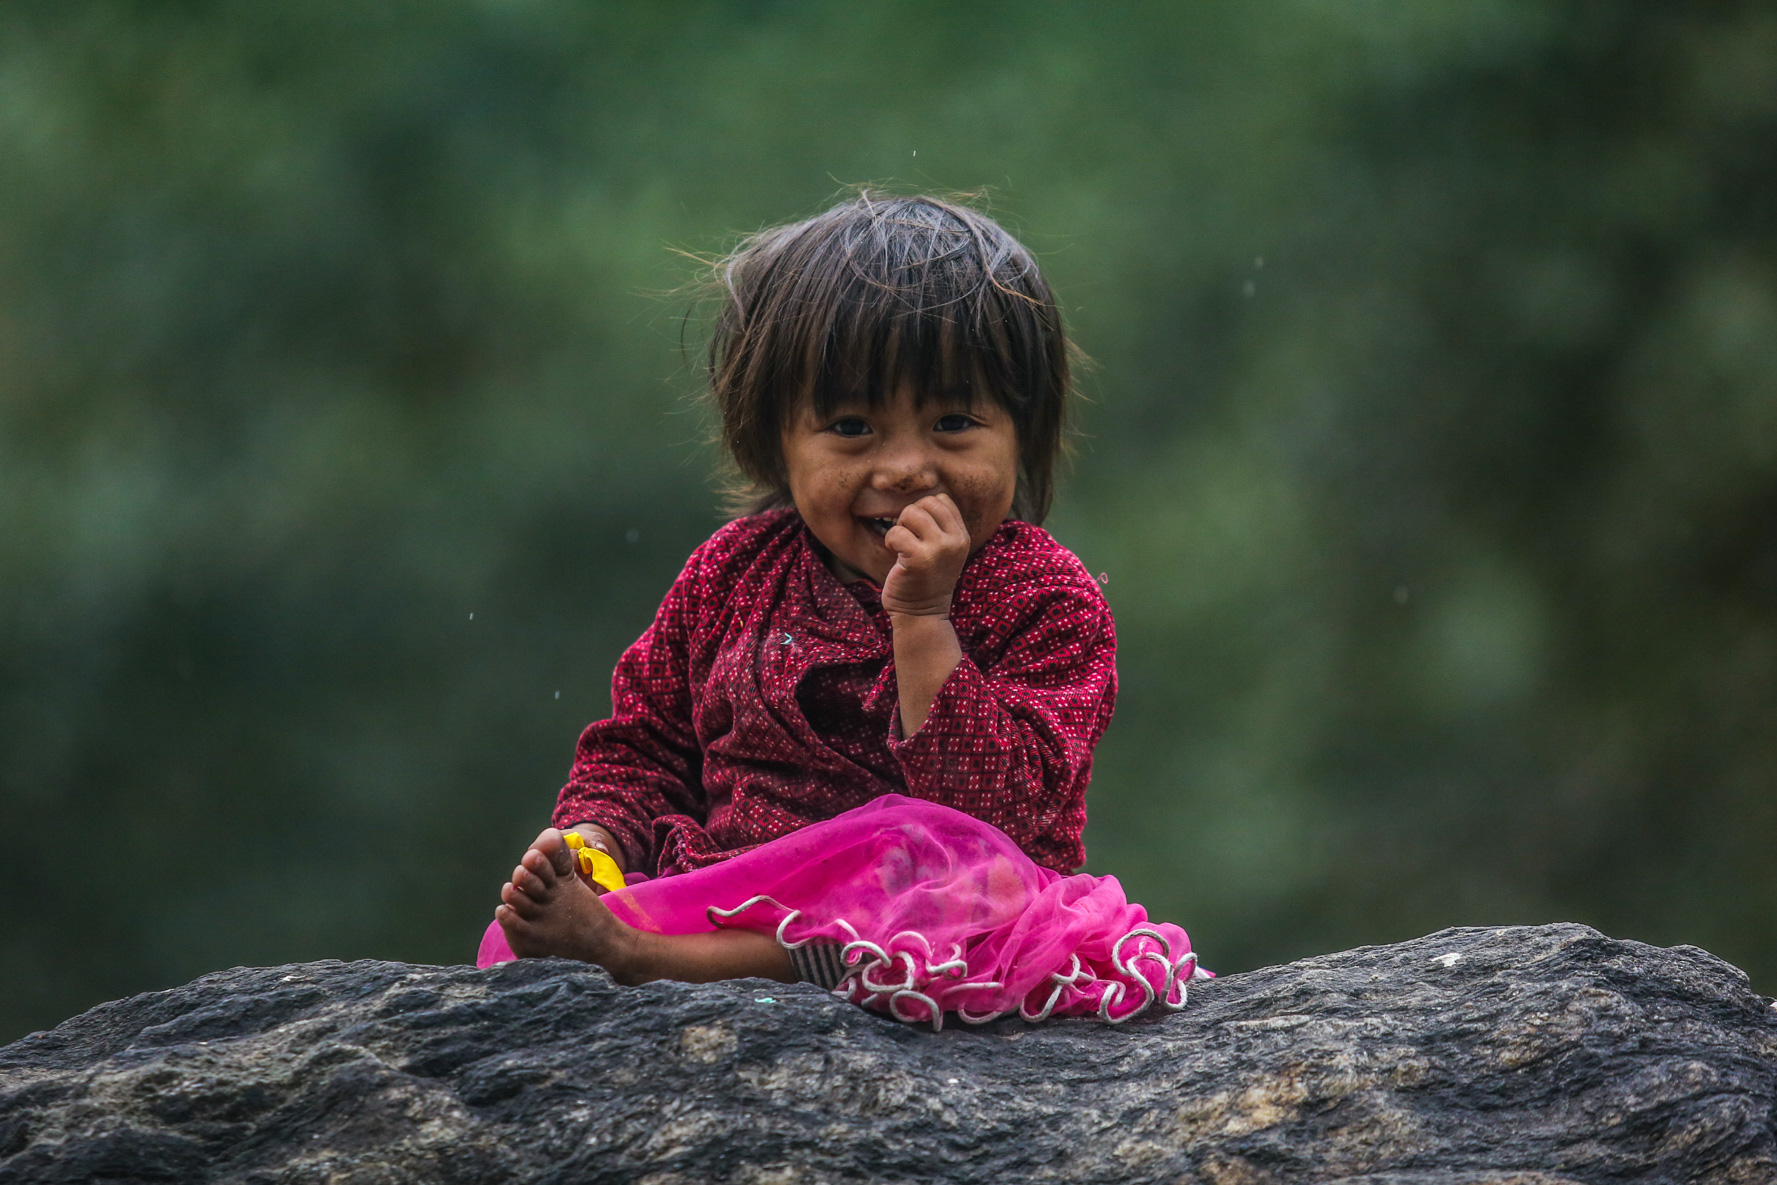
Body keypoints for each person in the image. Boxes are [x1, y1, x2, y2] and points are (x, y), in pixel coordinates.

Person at [479, 193, 1201, 1027]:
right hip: (728, 896)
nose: (905, 467)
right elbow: (645, 745)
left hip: (948, 921)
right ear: (774, 443)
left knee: (925, 864)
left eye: (954, 422)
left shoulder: (1041, 594)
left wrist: (923, 618)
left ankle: (641, 959)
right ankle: (638, 934)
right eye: (853, 426)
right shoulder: (732, 573)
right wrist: (597, 838)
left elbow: (995, 819)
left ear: (1022, 434)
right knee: (565, 916)